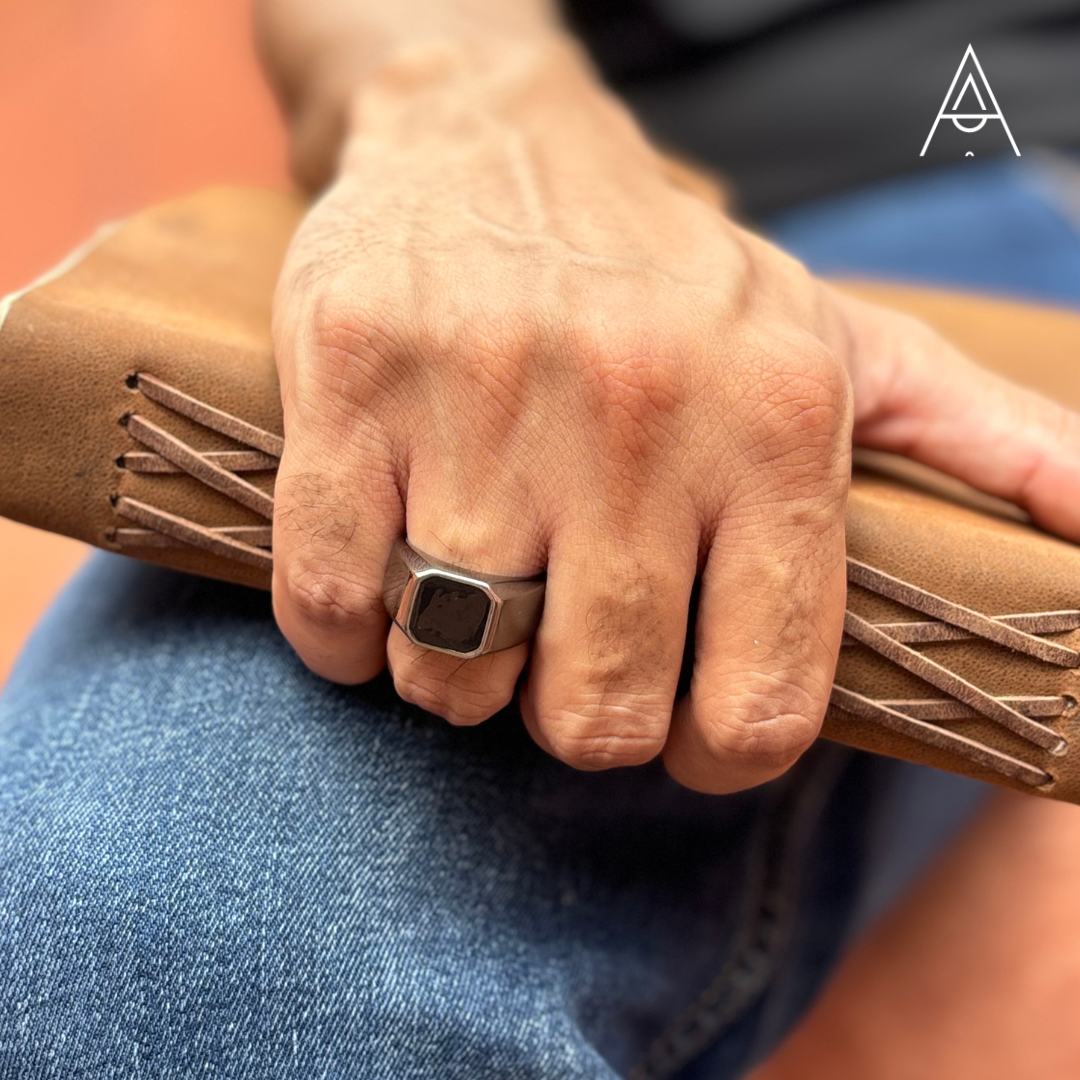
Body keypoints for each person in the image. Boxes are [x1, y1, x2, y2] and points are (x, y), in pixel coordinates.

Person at [3, 1, 1080, 1076]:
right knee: (147, 893)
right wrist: (473, 117)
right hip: (518, 181)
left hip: (998, 164)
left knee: (221, 927)